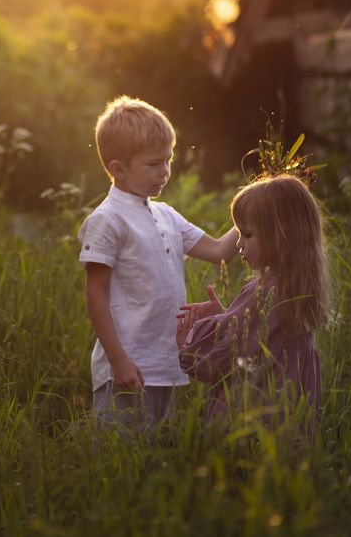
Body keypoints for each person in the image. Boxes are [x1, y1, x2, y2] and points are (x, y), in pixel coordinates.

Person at [79, 95, 238, 429]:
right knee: (118, 462)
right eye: (154, 164)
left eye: (168, 160)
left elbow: (220, 250)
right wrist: (118, 360)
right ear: (117, 169)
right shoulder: (108, 220)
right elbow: (95, 296)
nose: (165, 172)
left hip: (164, 364)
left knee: (153, 458)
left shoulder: (165, 215)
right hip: (127, 369)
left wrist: (260, 207)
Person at [177, 174, 331, 437]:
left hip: (249, 425)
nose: (238, 244)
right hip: (289, 427)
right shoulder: (299, 290)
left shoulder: (262, 292)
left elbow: (216, 360)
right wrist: (226, 316)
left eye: (247, 235)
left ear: (280, 235)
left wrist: (186, 339)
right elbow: (260, 341)